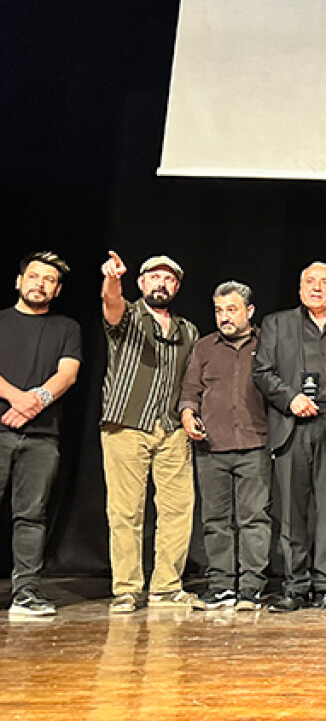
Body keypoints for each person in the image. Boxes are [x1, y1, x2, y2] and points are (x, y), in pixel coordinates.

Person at [254, 261, 326, 612]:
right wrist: (290, 398)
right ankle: (295, 586)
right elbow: (262, 371)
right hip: (292, 422)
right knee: (292, 510)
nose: (317, 287)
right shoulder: (277, 323)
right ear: (300, 289)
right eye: (310, 282)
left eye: (324, 282)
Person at [100, 252, 201, 613]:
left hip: (171, 429)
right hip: (127, 424)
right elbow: (111, 302)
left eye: (169, 279)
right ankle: (127, 589)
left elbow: (192, 380)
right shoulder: (128, 316)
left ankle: (166, 588)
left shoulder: (188, 330)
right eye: (155, 277)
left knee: (178, 510)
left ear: (177, 287)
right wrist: (113, 278)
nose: (162, 283)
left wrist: (188, 414)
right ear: (141, 283)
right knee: (126, 512)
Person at [179, 281, 271, 611]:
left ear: (250, 311)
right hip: (212, 446)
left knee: (253, 519)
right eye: (219, 311)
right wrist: (188, 415)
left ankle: (251, 588)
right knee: (216, 520)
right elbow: (190, 391)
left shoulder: (267, 344)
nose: (224, 317)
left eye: (232, 309)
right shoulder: (205, 347)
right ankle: (221, 586)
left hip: (255, 444)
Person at [0, 252, 81, 616]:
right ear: (19, 281)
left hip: (43, 436)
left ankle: (26, 592)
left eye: (49, 280)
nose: (40, 284)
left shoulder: (67, 328)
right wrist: (17, 399)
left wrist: (35, 403)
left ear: (57, 290)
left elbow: (68, 374)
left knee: (32, 515)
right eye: (34, 276)